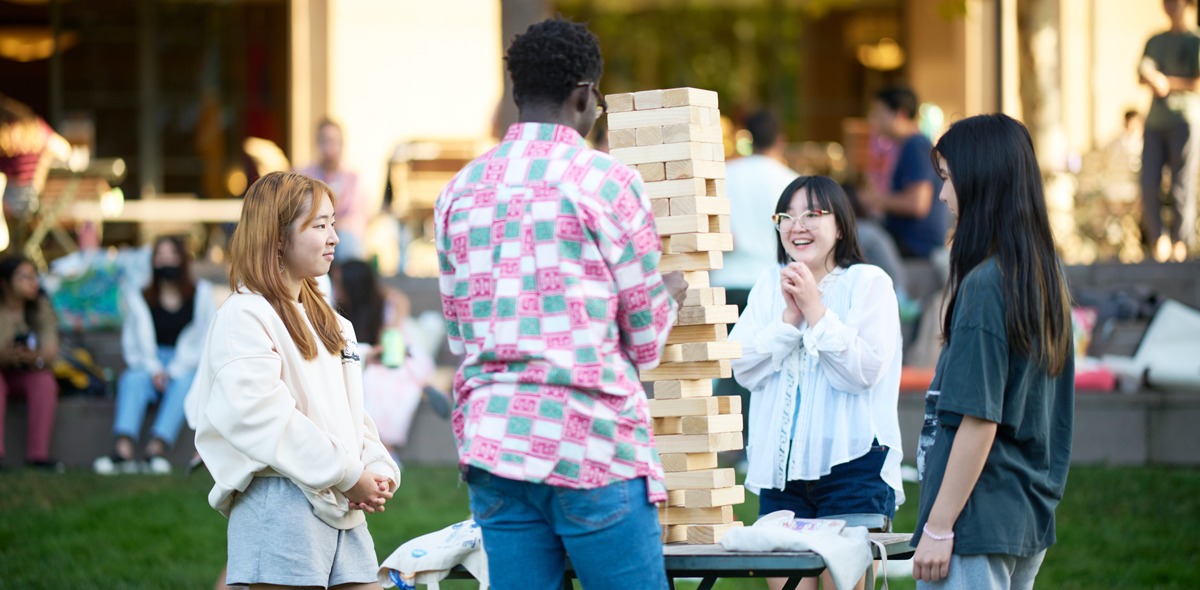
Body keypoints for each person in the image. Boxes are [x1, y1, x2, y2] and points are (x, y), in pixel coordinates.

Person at [435, 18, 687, 590]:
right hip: (590, 443)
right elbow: (645, 343)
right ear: (584, 95)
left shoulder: (458, 191)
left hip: (494, 445)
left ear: (518, 94)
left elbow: (461, 333)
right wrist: (667, 294)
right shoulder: (607, 181)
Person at [189, 171, 398, 589]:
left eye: (333, 223)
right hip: (281, 504)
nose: (334, 237)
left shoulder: (335, 323)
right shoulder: (244, 315)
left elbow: (350, 414)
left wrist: (374, 465)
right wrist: (346, 472)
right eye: (319, 226)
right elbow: (262, 416)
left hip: (341, 506)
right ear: (278, 237)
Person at [912, 114, 1074, 589]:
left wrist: (939, 527)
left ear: (980, 178)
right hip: (1021, 514)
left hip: (975, 521)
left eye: (947, 179)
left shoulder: (988, 285)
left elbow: (979, 420)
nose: (942, 195)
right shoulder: (1042, 277)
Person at [729, 175, 903, 590]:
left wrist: (815, 310)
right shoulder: (769, 284)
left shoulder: (869, 283)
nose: (797, 225)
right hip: (781, 475)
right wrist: (790, 322)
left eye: (813, 213)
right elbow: (742, 367)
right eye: (786, 216)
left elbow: (863, 372)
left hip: (853, 468)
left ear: (840, 225)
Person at [93, 236, 214, 475]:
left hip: (186, 363)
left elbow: (205, 340)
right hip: (149, 362)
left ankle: (155, 450)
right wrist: (154, 368)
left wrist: (173, 369)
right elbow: (133, 342)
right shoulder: (140, 296)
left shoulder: (201, 295)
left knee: (186, 384)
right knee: (132, 379)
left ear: (182, 260)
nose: (166, 261)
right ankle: (123, 451)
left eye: (172, 255)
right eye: (160, 256)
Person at [332, 259, 439, 463]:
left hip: (401, 356)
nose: (335, 289)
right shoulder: (340, 310)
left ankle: (385, 448)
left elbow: (391, 341)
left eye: (339, 283)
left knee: (376, 381)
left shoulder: (387, 303)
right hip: (373, 359)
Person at [1139, 0, 1200, 261]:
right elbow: (1143, 70)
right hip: (1154, 122)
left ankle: (1180, 242)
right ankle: (1159, 240)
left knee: (1181, 184)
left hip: (1184, 120)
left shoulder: (1194, 41)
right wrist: (1153, 78)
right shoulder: (1155, 40)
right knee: (1148, 183)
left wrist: (1169, 83)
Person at [864, 86, 949, 259]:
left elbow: (917, 204)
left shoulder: (915, 145)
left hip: (916, 245)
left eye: (879, 113)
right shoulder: (910, 145)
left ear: (900, 114)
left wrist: (873, 200)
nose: (872, 119)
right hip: (910, 242)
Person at [0, 255, 61, 470]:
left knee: (44, 382)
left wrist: (34, 358)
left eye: (34, 277)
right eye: (24, 277)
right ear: (5, 283)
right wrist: (5, 356)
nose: (32, 282)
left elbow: (50, 350)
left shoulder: (40, 308)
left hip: (26, 372)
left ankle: (38, 456)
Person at [0, 94, 71, 251]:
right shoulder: (38, 128)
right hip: (34, 195)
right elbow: (64, 150)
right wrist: (44, 162)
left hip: (16, 201)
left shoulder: (7, 134)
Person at [297, 118, 368, 262]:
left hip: (344, 237)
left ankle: (350, 281)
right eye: (324, 141)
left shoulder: (353, 178)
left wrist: (331, 225)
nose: (329, 147)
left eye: (334, 141)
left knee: (349, 239)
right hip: (314, 232)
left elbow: (357, 217)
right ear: (317, 143)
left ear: (342, 145)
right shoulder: (304, 175)